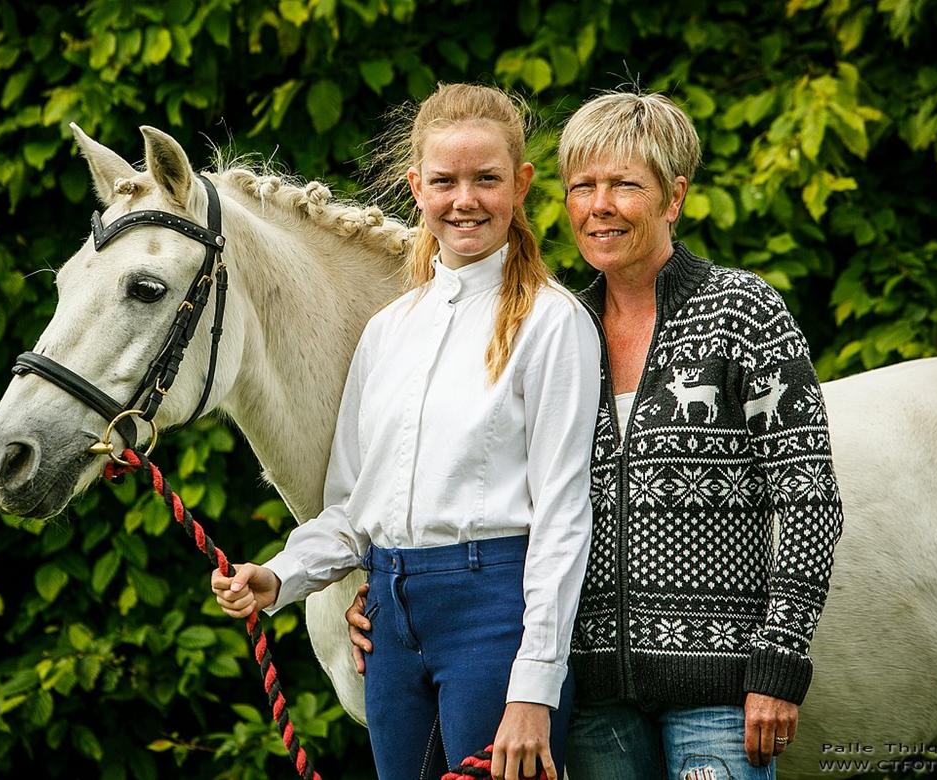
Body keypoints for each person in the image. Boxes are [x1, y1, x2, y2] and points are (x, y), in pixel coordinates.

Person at [348, 90, 844, 780]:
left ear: (673, 197)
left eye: (624, 186)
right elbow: (493, 486)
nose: (599, 205)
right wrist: (398, 596)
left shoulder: (744, 311)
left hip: (718, 691)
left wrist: (780, 661)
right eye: (583, 187)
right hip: (593, 700)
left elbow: (810, 497)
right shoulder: (558, 326)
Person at [211, 83, 600, 780]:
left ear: (522, 185)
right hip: (390, 626)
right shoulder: (388, 332)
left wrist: (535, 687)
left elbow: (565, 518)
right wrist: (280, 576)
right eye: (445, 181)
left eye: (487, 179)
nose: (465, 200)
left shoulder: (555, 322)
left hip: (496, 622)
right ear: (416, 187)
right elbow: (355, 510)